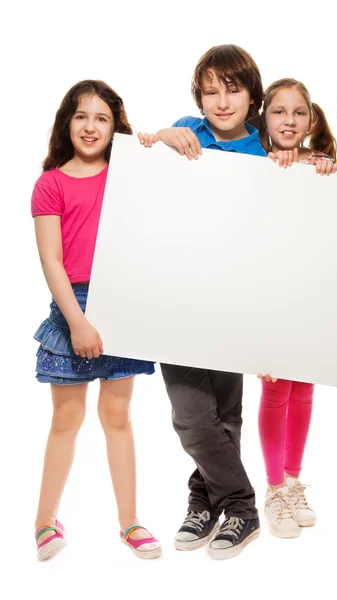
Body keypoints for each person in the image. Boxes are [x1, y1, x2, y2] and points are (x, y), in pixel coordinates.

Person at [138, 44, 265, 559]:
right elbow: (143, 165)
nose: (221, 100)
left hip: (235, 301)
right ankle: (241, 503)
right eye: (210, 90)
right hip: (178, 295)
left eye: (232, 89)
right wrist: (162, 138)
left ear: (252, 95)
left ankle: (204, 498)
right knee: (191, 415)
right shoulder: (188, 130)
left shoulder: (267, 151)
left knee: (223, 413)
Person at [32, 80, 159, 560]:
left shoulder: (127, 173)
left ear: (115, 127)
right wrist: (79, 322)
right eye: (81, 116)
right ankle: (44, 521)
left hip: (122, 302)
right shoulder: (51, 183)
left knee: (117, 417)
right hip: (73, 306)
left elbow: (161, 154)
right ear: (67, 121)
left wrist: (163, 136)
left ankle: (130, 522)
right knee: (66, 418)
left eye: (102, 118)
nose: (90, 126)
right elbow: (51, 261)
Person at [253, 78, 337, 538]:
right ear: (265, 116)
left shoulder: (323, 166)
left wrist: (332, 170)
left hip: (313, 297)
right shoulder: (256, 161)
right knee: (275, 389)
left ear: (310, 118)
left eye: (298, 112)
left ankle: (291, 481)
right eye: (279, 111)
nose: (289, 120)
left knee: (303, 390)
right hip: (269, 295)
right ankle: (272, 489)